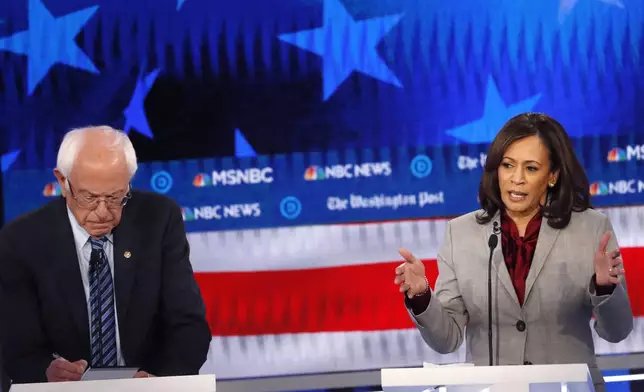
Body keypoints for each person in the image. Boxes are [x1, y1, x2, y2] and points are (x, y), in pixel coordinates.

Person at [394, 113, 633, 391]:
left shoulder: (591, 229)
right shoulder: (461, 234)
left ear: (552, 175)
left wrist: (605, 289)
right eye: (508, 165)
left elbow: (617, 332)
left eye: (531, 168)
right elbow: (447, 340)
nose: (516, 179)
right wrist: (422, 296)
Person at [0, 126, 212, 383]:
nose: (103, 212)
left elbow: (189, 326)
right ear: (62, 182)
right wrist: (45, 370)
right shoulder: (21, 239)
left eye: (115, 197)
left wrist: (159, 380)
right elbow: (17, 347)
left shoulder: (159, 219)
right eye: (89, 197)